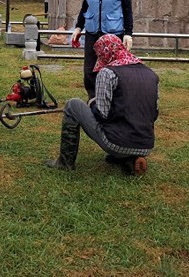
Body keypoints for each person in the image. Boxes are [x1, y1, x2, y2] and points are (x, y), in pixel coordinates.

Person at [45, 34, 158, 176]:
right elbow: (154, 115)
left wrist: (92, 103)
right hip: (146, 145)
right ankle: (128, 158)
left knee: (73, 105)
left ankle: (65, 162)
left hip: (116, 143)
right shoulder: (151, 74)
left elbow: (102, 114)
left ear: (104, 53)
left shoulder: (107, 72)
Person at [70, 0, 134, 99]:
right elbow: (85, 8)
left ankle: (113, 97)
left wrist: (128, 33)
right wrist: (79, 27)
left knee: (112, 68)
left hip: (113, 33)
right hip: (92, 32)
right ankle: (93, 97)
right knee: (90, 69)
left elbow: (127, 10)